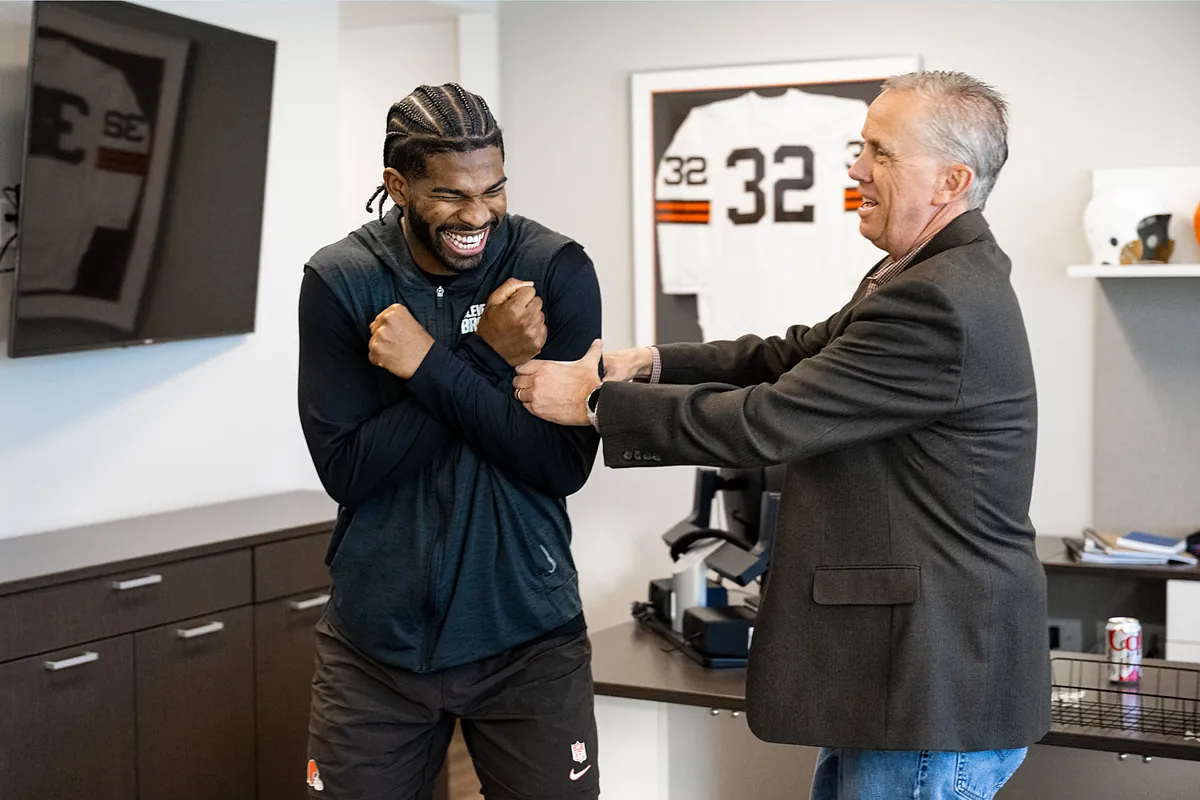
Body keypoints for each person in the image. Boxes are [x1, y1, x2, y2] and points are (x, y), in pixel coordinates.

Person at [513, 71, 1050, 800]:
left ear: (952, 179)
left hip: (934, 685)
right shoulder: (918, 272)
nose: (857, 168)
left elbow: (769, 419)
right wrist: (653, 362)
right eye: (861, 148)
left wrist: (598, 405)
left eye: (881, 154)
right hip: (898, 678)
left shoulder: (940, 300)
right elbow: (790, 353)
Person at [297, 83, 602, 800]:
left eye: (493, 190)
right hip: (373, 649)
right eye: (452, 195)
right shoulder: (342, 281)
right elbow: (350, 470)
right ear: (397, 186)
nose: (478, 215)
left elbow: (559, 464)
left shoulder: (555, 270)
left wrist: (434, 367)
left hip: (529, 636)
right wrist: (485, 359)